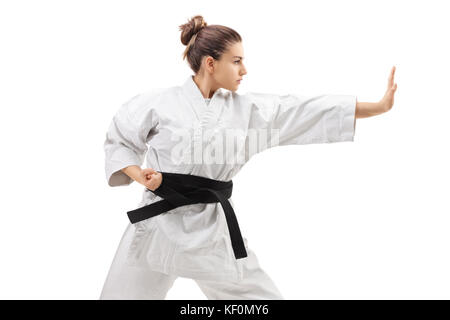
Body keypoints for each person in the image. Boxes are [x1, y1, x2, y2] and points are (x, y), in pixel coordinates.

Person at [99, 15, 397, 300]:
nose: (244, 70)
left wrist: (377, 107)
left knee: (260, 298)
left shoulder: (249, 111)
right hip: (158, 219)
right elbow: (121, 137)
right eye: (237, 61)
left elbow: (303, 110)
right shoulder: (160, 103)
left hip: (211, 227)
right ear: (211, 64)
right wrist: (139, 175)